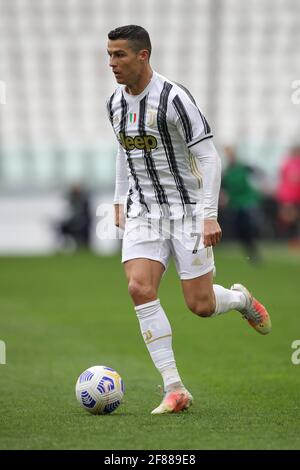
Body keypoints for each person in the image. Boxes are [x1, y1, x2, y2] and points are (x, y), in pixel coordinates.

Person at [106, 25, 271, 415]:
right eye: (109, 55)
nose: (111, 63)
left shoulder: (173, 98)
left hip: (187, 213)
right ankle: (174, 388)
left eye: (119, 55)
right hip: (143, 212)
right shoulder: (114, 102)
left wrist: (209, 216)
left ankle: (241, 299)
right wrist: (117, 199)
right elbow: (122, 151)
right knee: (138, 288)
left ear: (143, 55)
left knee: (200, 305)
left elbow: (210, 156)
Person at [221, 146, 262, 262]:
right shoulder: (227, 172)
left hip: (247, 202)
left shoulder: (243, 167)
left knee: (248, 227)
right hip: (235, 204)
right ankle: (249, 251)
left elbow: (258, 175)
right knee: (239, 230)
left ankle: (253, 251)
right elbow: (224, 188)